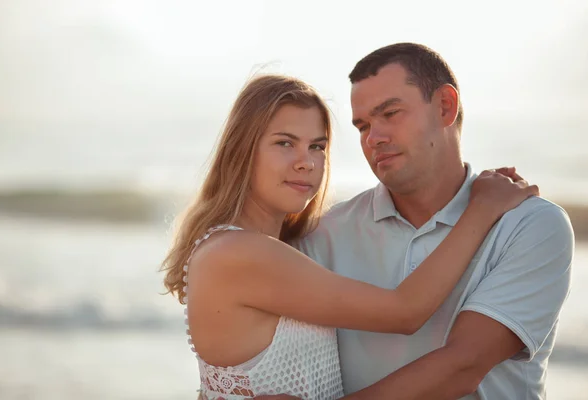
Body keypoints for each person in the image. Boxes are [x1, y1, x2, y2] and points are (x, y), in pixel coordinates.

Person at [161, 74, 538, 400]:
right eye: (284, 143)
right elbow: (405, 311)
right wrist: (481, 209)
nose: (306, 161)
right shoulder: (238, 252)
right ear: (241, 152)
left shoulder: (279, 248)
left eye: (318, 146)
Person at [289, 42, 574, 399]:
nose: (374, 138)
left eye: (391, 113)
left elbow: (462, 366)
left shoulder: (531, 226)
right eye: (362, 126)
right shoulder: (323, 234)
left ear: (445, 106)